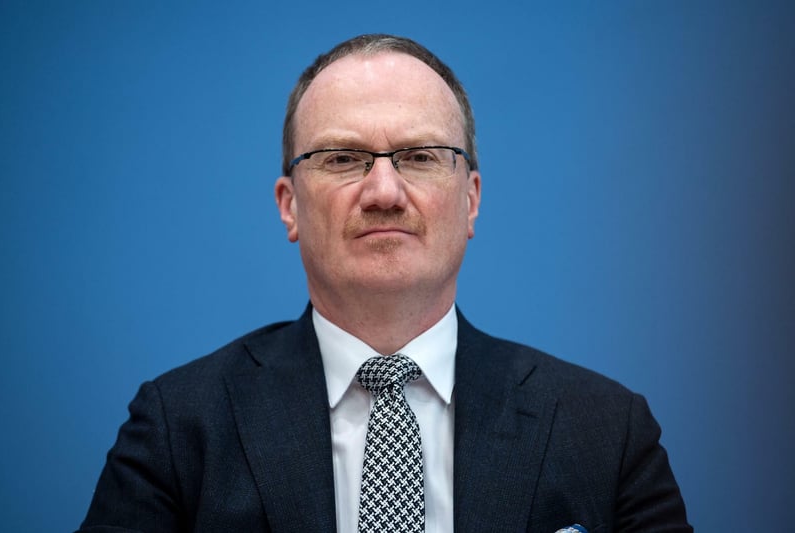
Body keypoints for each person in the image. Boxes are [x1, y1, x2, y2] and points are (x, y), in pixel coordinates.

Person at [77, 34, 691, 532]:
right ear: (289, 206)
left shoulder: (606, 431)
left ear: (471, 200)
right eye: (343, 158)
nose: (384, 192)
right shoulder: (179, 428)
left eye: (420, 156)